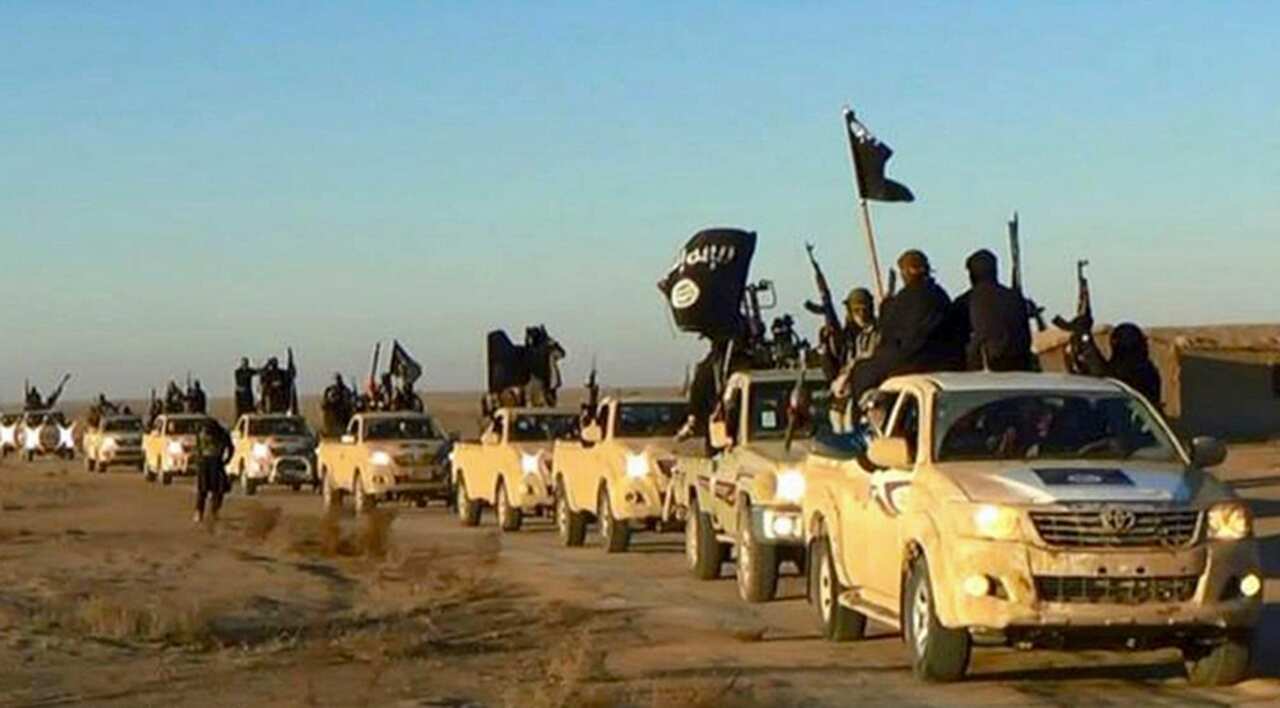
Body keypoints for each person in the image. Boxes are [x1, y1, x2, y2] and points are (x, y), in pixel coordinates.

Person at [854, 250, 961, 399]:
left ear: (907, 272)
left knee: (861, 371)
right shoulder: (940, 296)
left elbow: (890, 335)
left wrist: (885, 307)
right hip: (946, 360)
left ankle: (866, 409)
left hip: (912, 360)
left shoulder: (903, 300)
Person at [958, 249, 1035, 372]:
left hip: (987, 367)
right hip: (1021, 364)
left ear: (972, 274)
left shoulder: (967, 300)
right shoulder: (1015, 297)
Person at [193, 418, 233, 523]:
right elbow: (197, 448)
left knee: (217, 489)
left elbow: (230, 448)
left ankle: (212, 511)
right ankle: (201, 511)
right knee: (204, 490)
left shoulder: (222, 434)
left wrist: (226, 460)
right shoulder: (202, 434)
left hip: (214, 462)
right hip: (207, 463)